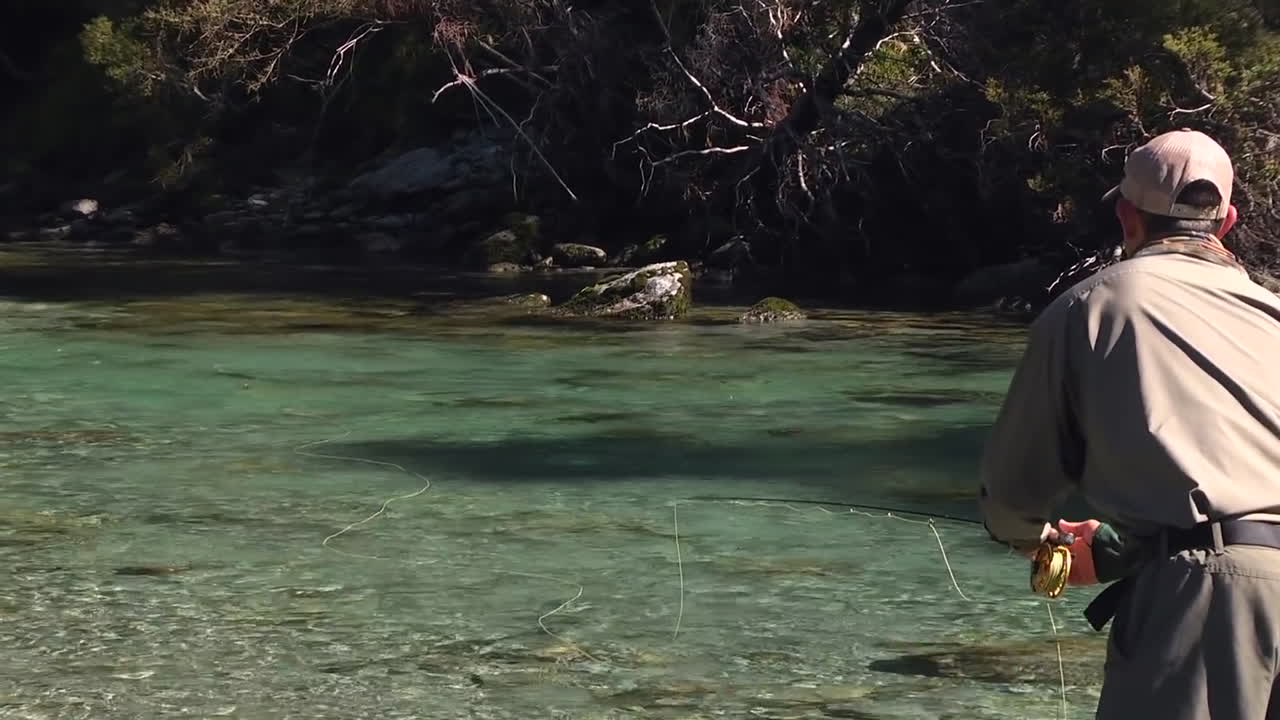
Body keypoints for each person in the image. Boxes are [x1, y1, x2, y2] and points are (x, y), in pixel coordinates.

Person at [977, 128, 1280, 719]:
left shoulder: (1088, 309)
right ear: (1227, 222)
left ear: (1126, 216)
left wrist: (1042, 543)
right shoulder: (1273, 315)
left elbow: (1012, 493)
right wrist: (1125, 548)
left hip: (1210, 603)